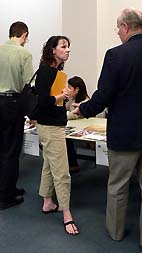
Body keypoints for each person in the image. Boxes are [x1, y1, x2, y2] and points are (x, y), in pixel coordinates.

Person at [74, 8, 142, 251]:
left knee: (118, 185)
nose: (118, 33)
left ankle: (116, 233)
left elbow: (103, 96)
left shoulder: (115, 55)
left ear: (125, 27)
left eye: (117, 29)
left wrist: (84, 109)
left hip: (124, 135)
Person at [34, 36, 79, 235]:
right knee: (62, 172)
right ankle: (66, 214)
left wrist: (63, 98)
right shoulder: (46, 71)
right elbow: (44, 101)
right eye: (63, 46)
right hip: (51, 127)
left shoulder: (55, 72)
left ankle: (47, 202)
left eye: (68, 46)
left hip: (51, 125)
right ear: (53, 50)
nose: (67, 50)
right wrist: (62, 96)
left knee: (48, 165)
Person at [0, 21, 33, 209]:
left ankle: (7, 188)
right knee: (11, 151)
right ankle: (6, 196)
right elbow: (27, 85)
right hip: (11, 104)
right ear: (24, 35)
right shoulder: (24, 54)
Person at [66, 76, 90, 173]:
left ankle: (72, 164)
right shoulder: (72, 100)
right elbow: (65, 109)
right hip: (75, 130)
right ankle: (72, 164)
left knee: (65, 140)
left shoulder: (85, 102)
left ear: (77, 90)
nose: (67, 90)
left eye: (69, 88)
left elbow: (71, 115)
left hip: (86, 135)